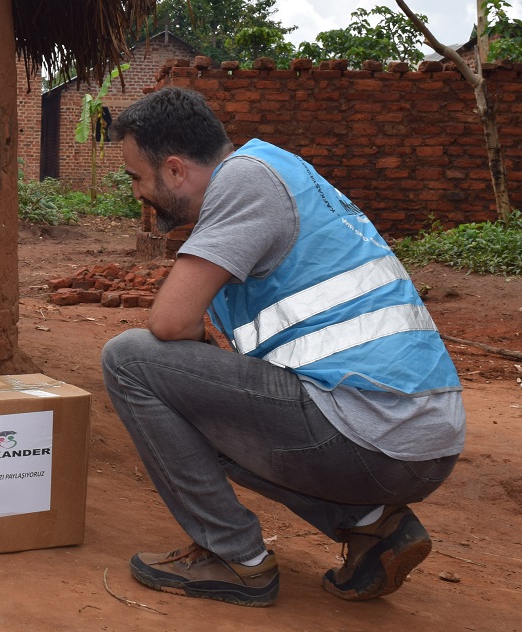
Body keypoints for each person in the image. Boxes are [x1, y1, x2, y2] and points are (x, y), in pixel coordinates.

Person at [100, 87, 464, 607]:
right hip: (416, 439)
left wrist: (194, 357)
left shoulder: (242, 183)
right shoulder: (279, 169)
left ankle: (235, 558)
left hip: (372, 434)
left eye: (137, 177)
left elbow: (170, 321)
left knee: (129, 360)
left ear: (175, 170)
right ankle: (372, 526)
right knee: (198, 398)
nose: (138, 192)